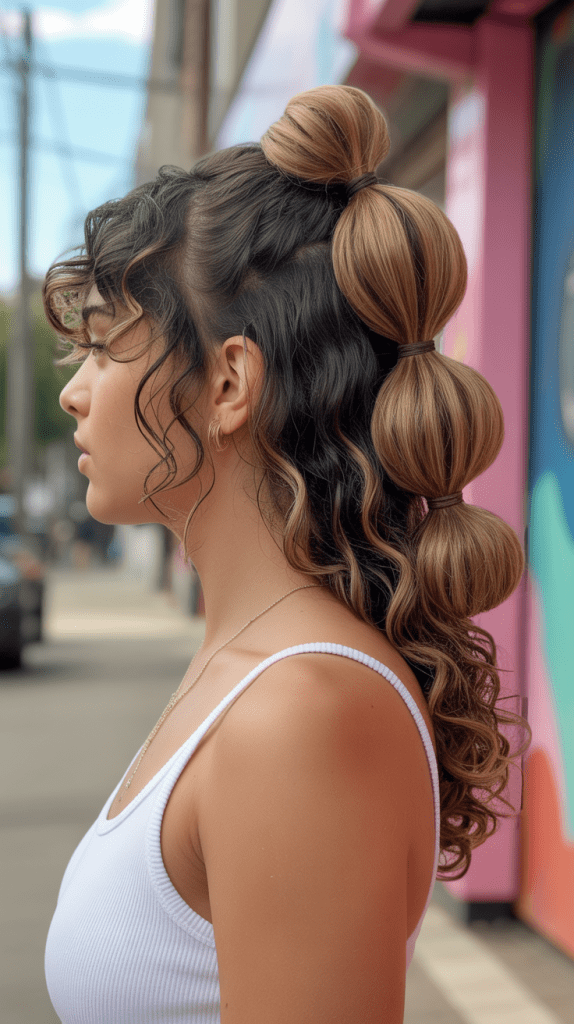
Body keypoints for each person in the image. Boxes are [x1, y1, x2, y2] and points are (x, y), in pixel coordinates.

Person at [43, 85, 530, 1024]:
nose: (76, 393)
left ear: (228, 382)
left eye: (104, 348)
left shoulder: (302, 713)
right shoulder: (254, 670)